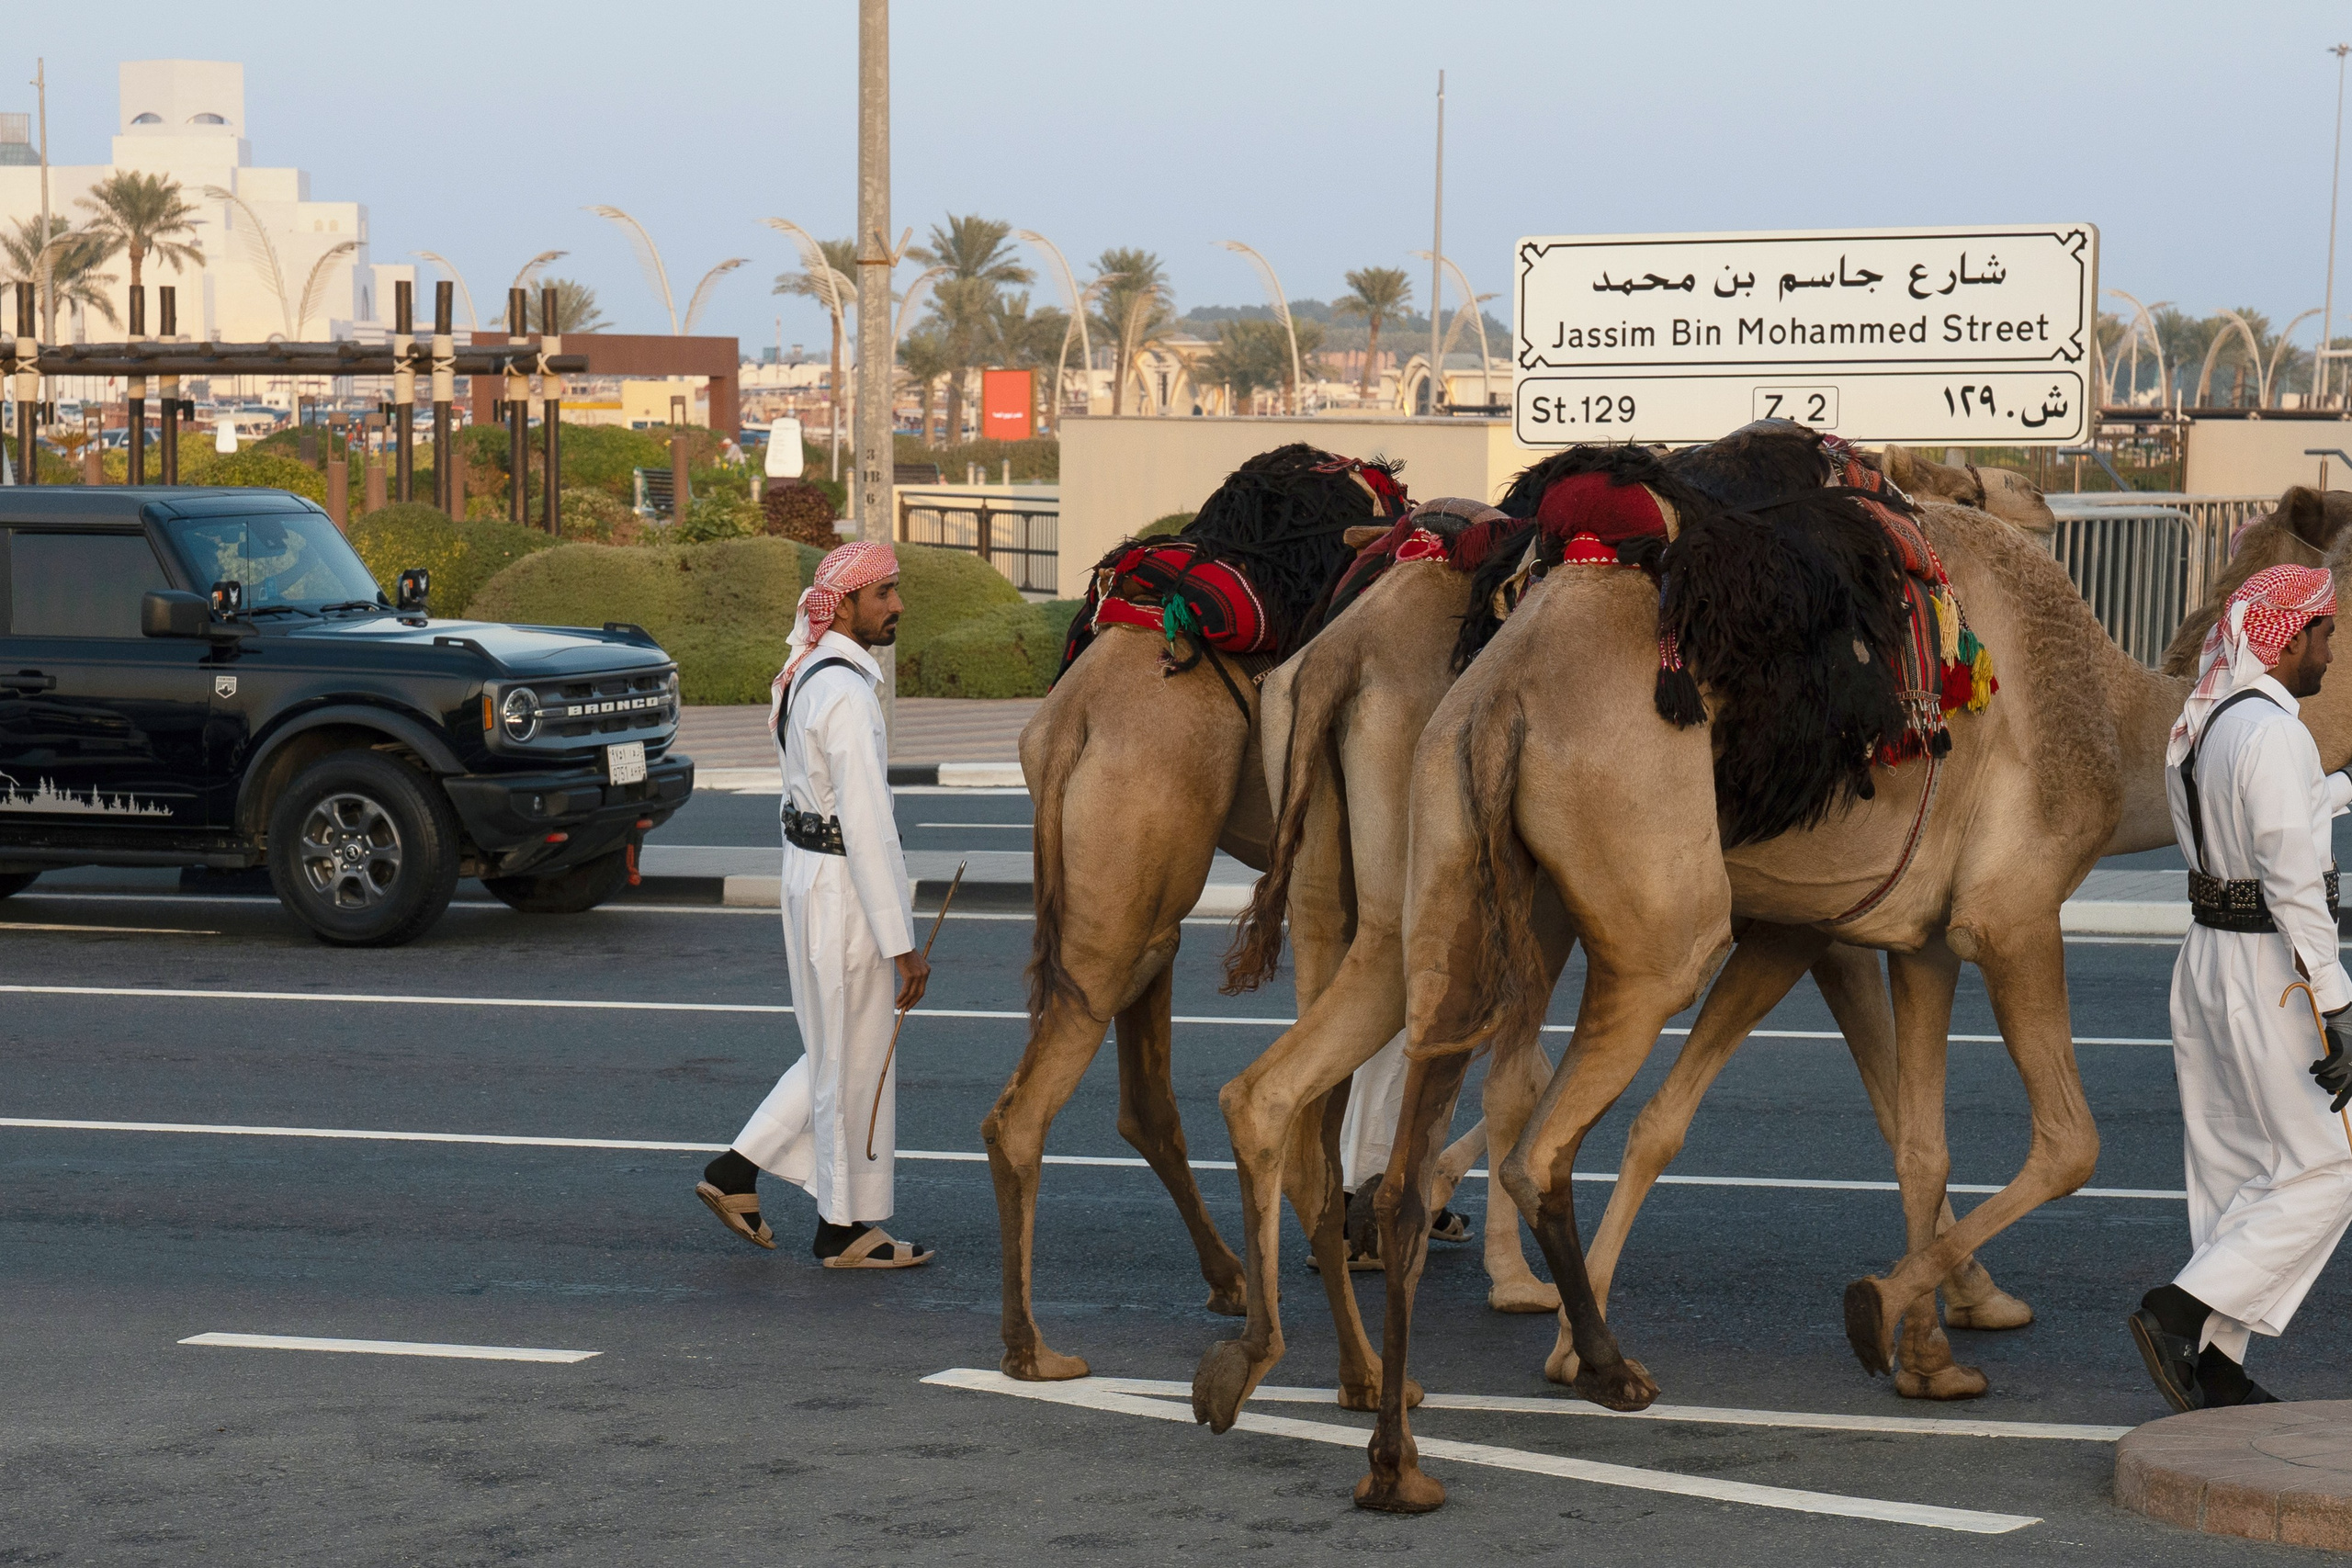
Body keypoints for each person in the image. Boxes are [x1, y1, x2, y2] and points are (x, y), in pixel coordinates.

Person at [2131, 563, 2352, 1409]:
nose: (2330, 651)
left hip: (2209, 958)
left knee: (2235, 1170)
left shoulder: (2210, 723)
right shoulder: (2275, 733)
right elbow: (2290, 874)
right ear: (2288, 636)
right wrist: (2338, 1001)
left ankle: (2213, 1364)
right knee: (2328, 1169)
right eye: (2324, 633)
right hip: (2273, 972)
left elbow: (2261, 818)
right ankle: (2177, 1310)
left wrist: (2345, 786)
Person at [695, 540, 935, 1269]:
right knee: (851, 1058)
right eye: (884, 593)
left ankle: (738, 1172)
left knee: (838, 1049)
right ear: (848, 604)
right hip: (841, 887)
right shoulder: (847, 693)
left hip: (807, 876)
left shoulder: (807, 671)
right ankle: (843, 1228)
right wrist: (903, 945)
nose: (897, 606)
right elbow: (866, 827)